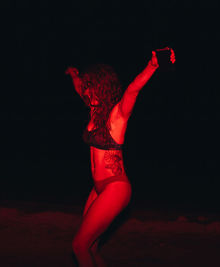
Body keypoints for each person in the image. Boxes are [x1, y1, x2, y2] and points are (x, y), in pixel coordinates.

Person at [65, 50, 159, 267]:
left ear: (101, 86)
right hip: (98, 189)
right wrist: (74, 76)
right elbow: (79, 90)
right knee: (91, 248)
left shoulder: (117, 115)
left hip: (115, 188)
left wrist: (152, 66)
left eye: (90, 85)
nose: (86, 90)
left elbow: (133, 90)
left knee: (79, 246)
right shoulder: (93, 110)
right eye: (86, 85)